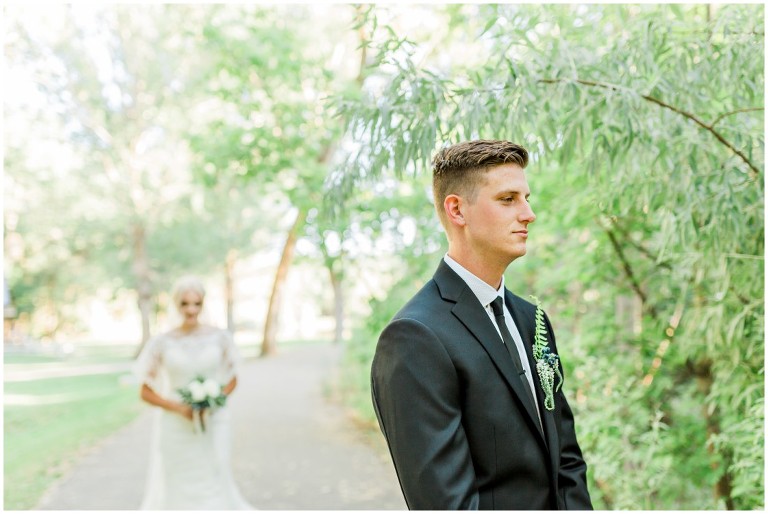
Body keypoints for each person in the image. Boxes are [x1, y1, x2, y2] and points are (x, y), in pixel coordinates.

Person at [370, 140, 592, 510]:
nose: (529, 213)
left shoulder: (530, 319)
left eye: (526, 197)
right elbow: (445, 503)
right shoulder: (415, 337)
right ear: (457, 210)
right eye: (508, 199)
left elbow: (566, 459)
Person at [134, 276, 254, 510]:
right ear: (176, 305)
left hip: (214, 419)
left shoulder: (220, 338)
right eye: (185, 304)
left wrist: (214, 400)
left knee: (214, 472)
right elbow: (145, 392)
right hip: (175, 424)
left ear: (203, 304)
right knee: (177, 477)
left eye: (196, 304)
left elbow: (233, 378)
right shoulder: (161, 342)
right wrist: (180, 408)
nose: (191, 310)